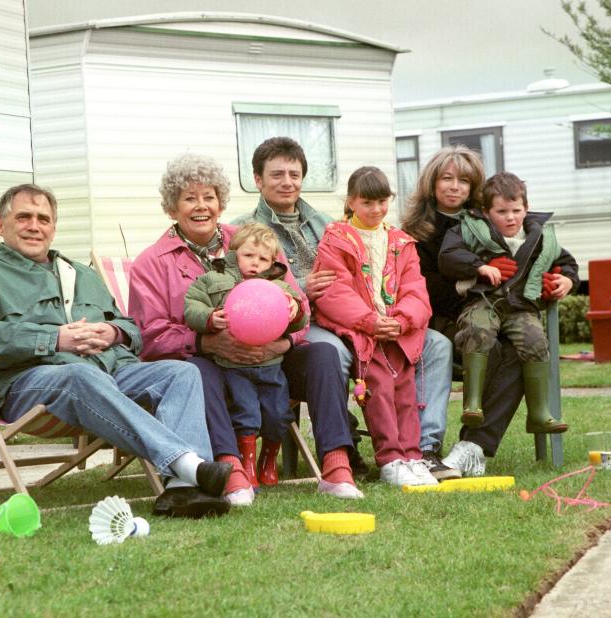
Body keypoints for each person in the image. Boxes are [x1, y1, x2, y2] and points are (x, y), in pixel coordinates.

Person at [0, 184, 232, 518]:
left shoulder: (80, 274)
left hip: (110, 373)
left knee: (181, 372)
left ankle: (183, 491)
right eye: (23, 217)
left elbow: (132, 327)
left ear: (53, 227)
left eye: (43, 219)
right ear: (0, 225)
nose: (34, 226)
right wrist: (54, 339)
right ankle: (189, 464)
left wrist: (112, 332)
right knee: (79, 375)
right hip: (31, 383)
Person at [130, 154, 363, 505]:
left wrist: (284, 342)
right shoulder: (152, 262)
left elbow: (299, 304)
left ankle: (336, 464)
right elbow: (149, 337)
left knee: (323, 353)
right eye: (189, 198)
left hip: (270, 358)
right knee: (195, 371)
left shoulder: (253, 241)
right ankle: (230, 466)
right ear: (171, 207)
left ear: (220, 202)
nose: (201, 206)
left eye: (208, 197)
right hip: (209, 362)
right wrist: (209, 342)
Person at [232, 137, 459, 481]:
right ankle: (345, 444)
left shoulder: (328, 223)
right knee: (333, 352)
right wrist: (301, 291)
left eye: (294, 173)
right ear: (258, 179)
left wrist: (388, 317)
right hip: (306, 322)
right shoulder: (245, 228)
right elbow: (246, 293)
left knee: (437, 344)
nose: (287, 181)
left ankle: (424, 449)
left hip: (363, 315)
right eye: (277, 174)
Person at [402, 146, 525, 476]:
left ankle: (472, 446)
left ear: (475, 189)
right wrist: (474, 276)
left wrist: (559, 277)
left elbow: (527, 255)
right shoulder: (414, 232)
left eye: (464, 181)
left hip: (487, 317)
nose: (455, 186)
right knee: (489, 349)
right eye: (447, 178)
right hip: (438, 321)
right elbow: (421, 288)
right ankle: (445, 445)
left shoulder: (488, 223)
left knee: (518, 351)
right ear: (432, 183)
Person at [312, 167, 437, 486]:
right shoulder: (336, 239)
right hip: (362, 331)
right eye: (368, 202)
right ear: (351, 201)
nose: (376, 209)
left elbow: (415, 289)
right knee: (378, 389)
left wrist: (402, 320)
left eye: (383, 201)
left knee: (406, 391)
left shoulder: (401, 242)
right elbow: (333, 291)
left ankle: (411, 455)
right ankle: (390, 458)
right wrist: (369, 321)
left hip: (396, 332)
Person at [439, 171, 577, 433]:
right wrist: (478, 266)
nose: (510, 217)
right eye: (502, 211)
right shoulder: (470, 229)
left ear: (527, 208)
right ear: (487, 211)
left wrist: (568, 281)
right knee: (477, 330)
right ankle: (473, 403)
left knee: (536, 340)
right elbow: (448, 256)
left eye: (516, 210)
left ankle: (538, 413)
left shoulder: (541, 237)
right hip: (483, 301)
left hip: (520, 307)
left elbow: (567, 263)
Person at [183, 222, 307, 487]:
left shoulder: (278, 286)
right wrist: (208, 318)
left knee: (277, 414)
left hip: (271, 365)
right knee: (246, 413)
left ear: (272, 261)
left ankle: (269, 460)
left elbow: (297, 318)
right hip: (234, 366)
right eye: (248, 255)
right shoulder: (213, 279)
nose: (255, 263)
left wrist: (294, 310)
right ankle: (247, 462)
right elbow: (191, 306)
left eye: (263, 259)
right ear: (234, 252)